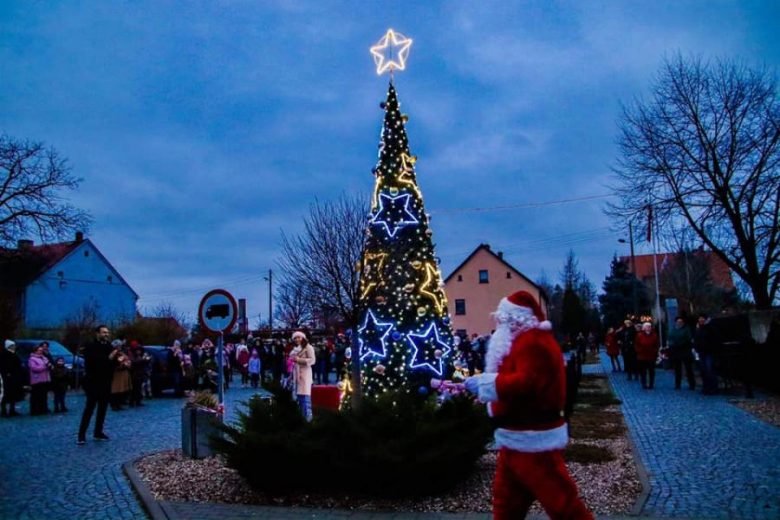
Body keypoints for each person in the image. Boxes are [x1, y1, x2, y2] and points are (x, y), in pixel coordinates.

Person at [464, 291, 592, 520]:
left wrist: (487, 384)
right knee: (506, 503)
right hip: (515, 438)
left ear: (516, 319)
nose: (499, 322)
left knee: (562, 504)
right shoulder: (522, 341)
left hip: (533, 440)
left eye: (503, 318)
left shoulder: (532, 342)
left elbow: (528, 382)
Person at [79, 325, 119, 444]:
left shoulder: (108, 346)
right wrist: (110, 357)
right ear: (97, 333)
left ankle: (98, 431)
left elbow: (112, 363)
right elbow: (95, 362)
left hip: (106, 381)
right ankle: (82, 434)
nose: (106, 334)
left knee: (103, 408)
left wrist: (117, 361)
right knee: (89, 408)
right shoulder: (91, 346)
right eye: (103, 332)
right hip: (93, 381)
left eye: (107, 332)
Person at [290, 331, 315, 421]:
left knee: (306, 398)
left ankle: (308, 419)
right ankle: (302, 419)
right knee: (299, 399)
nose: (297, 339)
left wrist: (299, 360)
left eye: (299, 337)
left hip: (305, 375)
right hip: (296, 375)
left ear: (303, 337)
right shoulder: (295, 350)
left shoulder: (308, 347)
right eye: (295, 338)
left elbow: (312, 360)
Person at [667, 317, 695, 390]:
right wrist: (672, 345)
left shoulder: (687, 329)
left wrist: (681, 343)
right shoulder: (673, 330)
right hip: (676, 351)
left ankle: (692, 384)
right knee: (677, 369)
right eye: (678, 321)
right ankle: (677, 384)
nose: (679, 323)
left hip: (685, 350)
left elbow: (689, 338)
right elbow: (670, 338)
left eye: (681, 321)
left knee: (689, 369)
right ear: (675, 322)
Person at [694, 314, 718, 395]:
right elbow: (696, 339)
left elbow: (713, 339)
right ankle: (706, 388)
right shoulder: (698, 329)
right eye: (700, 319)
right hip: (701, 352)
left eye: (702, 319)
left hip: (709, 352)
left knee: (710, 370)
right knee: (704, 371)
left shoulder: (710, 328)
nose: (701, 320)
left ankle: (713, 388)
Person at [28, 344, 52, 415]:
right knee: (35, 396)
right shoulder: (32, 359)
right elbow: (34, 368)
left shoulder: (44, 358)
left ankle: (43, 409)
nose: (41, 352)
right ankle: (34, 410)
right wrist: (45, 366)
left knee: (43, 395)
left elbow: (49, 364)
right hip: (37, 380)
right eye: (39, 350)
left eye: (41, 350)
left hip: (45, 379)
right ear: (35, 351)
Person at [634, 323, 660, 390]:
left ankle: (651, 384)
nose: (649, 328)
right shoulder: (639, 335)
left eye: (650, 326)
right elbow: (636, 344)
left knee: (651, 371)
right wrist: (639, 351)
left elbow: (657, 345)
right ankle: (644, 383)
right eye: (647, 327)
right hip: (642, 356)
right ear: (644, 328)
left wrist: (654, 351)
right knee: (643, 371)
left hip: (651, 356)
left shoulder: (654, 335)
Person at [110, 340, 132, 411]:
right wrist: (121, 364)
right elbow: (112, 363)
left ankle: (119, 404)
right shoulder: (113, 353)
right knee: (115, 390)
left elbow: (128, 359)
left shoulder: (121, 353)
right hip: (117, 374)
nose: (120, 347)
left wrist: (127, 364)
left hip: (123, 373)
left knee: (121, 390)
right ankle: (114, 404)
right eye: (118, 346)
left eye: (120, 346)